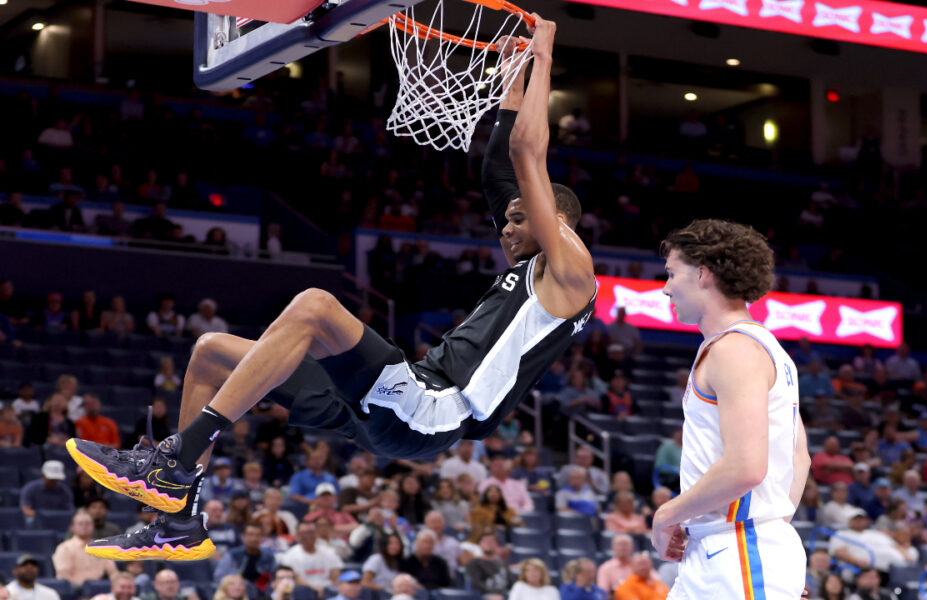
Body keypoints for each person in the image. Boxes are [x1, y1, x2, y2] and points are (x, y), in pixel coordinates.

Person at [68, 28, 594, 560]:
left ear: (558, 220)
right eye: (506, 219)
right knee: (210, 353)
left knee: (317, 305)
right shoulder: (533, 266)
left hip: (433, 409)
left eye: (519, 217)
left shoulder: (570, 275)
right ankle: (176, 521)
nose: (504, 228)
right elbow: (498, 165)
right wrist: (513, 71)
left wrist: (545, 53)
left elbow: (527, 152)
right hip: (391, 407)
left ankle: (174, 463)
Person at [650, 220, 811, 600]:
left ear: (703, 274)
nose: (666, 287)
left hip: (738, 550)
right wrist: (771, 531)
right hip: (726, 549)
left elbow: (746, 467)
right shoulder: (758, 347)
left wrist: (665, 515)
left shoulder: (734, 350)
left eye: (672, 273)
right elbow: (799, 457)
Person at [53, 511, 119, 585]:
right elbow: (64, 576)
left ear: (93, 526)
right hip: (75, 591)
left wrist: (117, 583)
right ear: (72, 527)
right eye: (80, 524)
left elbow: (113, 572)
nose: (84, 526)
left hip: (99, 590)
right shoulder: (64, 548)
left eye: (88, 523)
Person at [280, 521, 343, 592]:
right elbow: (294, 578)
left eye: (311, 532)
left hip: (328, 590)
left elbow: (336, 577)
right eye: (304, 533)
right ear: (297, 535)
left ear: (316, 534)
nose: (308, 536)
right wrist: (315, 589)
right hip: (303, 591)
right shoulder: (290, 555)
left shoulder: (329, 552)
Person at [212, 522, 277, 589]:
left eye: (258, 535)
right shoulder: (232, 555)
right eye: (250, 535)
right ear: (243, 537)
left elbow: (275, 579)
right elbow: (219, 578)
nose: (254, 538)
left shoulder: (269, 557)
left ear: (262, 538)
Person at [20, 460, 74, 524]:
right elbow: (25, 510)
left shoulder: (65, 491)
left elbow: (70, 512)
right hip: (37, 520)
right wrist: (44, 517)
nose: (53, 482)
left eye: (56, 479)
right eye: (51, 479)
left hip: (58, 521)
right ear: (43, 476)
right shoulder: (29, 488)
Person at [465, 531, 512, 599]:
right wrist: (496, 593)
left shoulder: (502, 562)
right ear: (480, 544)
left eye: (491, 541)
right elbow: (477, 584)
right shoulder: (474, 563)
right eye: (485, 541)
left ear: (496, 544)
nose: (489, 544)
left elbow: (510, 582)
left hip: (504, 594)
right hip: (485, 595)